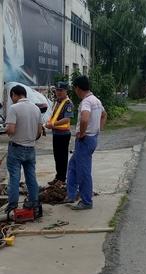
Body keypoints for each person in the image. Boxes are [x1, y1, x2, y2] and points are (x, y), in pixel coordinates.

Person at [63, 75, 107, 210]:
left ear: (77, 88)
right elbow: (104, 115)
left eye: (75, 89)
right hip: (91, 138)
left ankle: (86, 201)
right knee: (72, 166)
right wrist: (98, 129)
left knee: (83, 171)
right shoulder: (97, 101)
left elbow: (84, 119)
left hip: (85, 140)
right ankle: (71, 194)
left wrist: (82, 133)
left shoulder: (87, 102)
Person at [5, 85, 42, 212]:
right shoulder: (36, 109)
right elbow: (39, 132)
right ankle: (34, 202)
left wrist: (7, 131)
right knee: (31, 176)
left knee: (14, 177)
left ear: (15, 94)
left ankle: (12, 206)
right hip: (31, 148)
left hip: (16, 148)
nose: (12, 99)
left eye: (12, 97)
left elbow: (11, 129)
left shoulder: (14, 108)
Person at [45, 81, 74, 185]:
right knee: (57, 157)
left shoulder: (68, 103)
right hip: (56, 134)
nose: (58, 92)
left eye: (61, 90)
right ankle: (58, 177)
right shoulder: (57, 102)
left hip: (63, 134)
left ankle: (62, 179)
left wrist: (53, 124)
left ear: (66, 91)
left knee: (62, 158)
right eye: (57, 90)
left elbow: (66, 119)